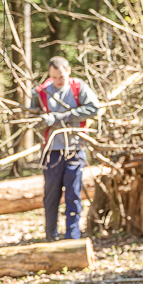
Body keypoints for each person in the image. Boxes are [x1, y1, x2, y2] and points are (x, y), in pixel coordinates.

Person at [31, 57, 100, 241]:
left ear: (68, 71)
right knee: (51, 195)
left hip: (75, 148)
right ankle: (50, 236)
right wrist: (42, 120)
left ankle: (72, 237)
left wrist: (64, 116)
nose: (58, 81)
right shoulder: (40, 92)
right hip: (51, 151)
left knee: (73, 194)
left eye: (61, 76)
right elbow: (32, 120)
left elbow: (94, 108)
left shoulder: (79, 88)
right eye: (54, 78)